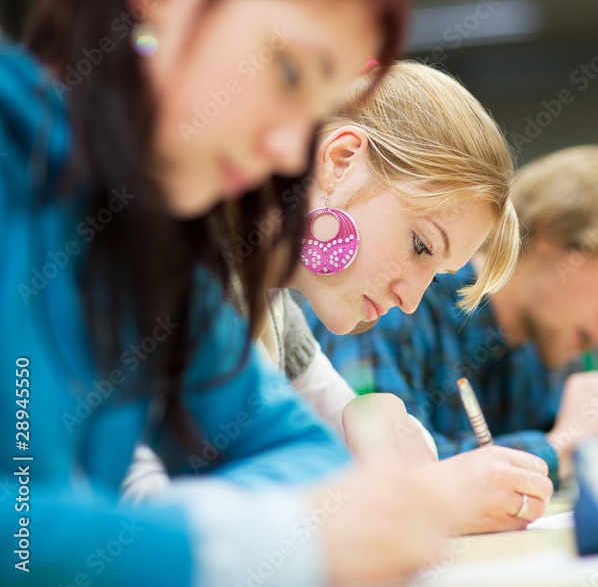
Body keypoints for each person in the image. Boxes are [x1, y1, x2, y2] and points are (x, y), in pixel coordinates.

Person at [1, 0, 463, 585]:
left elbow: (296, 450)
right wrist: (247, 543)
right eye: (287, 70)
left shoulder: (140, 242)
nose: (286, 152)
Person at [124, 61, 553, 533]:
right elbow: (136, 519)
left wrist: (380, 422)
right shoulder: (165, 259)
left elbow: (398, 457)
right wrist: (420, 502)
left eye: (436, 273)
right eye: (420, 246)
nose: (410, 300)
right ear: (340, 160)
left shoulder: (273, 308)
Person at [307, 145, 598, 483]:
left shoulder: (540, 349)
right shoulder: (392, 297)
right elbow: (387, 471)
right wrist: (562, 445)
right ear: (554, 235)